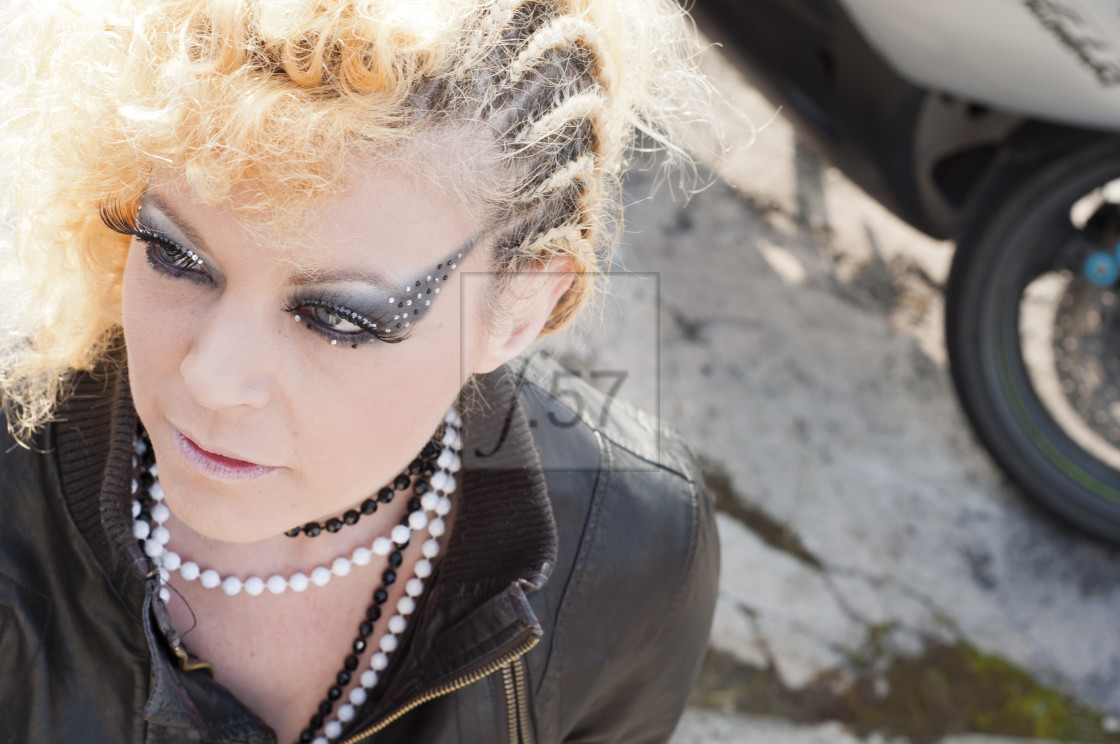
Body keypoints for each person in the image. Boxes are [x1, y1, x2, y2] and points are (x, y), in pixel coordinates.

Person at [0, 0, 719, 742]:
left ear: (523, 306)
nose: (212, 377)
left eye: (338, 318)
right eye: (174, 254)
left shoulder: (638, 544)